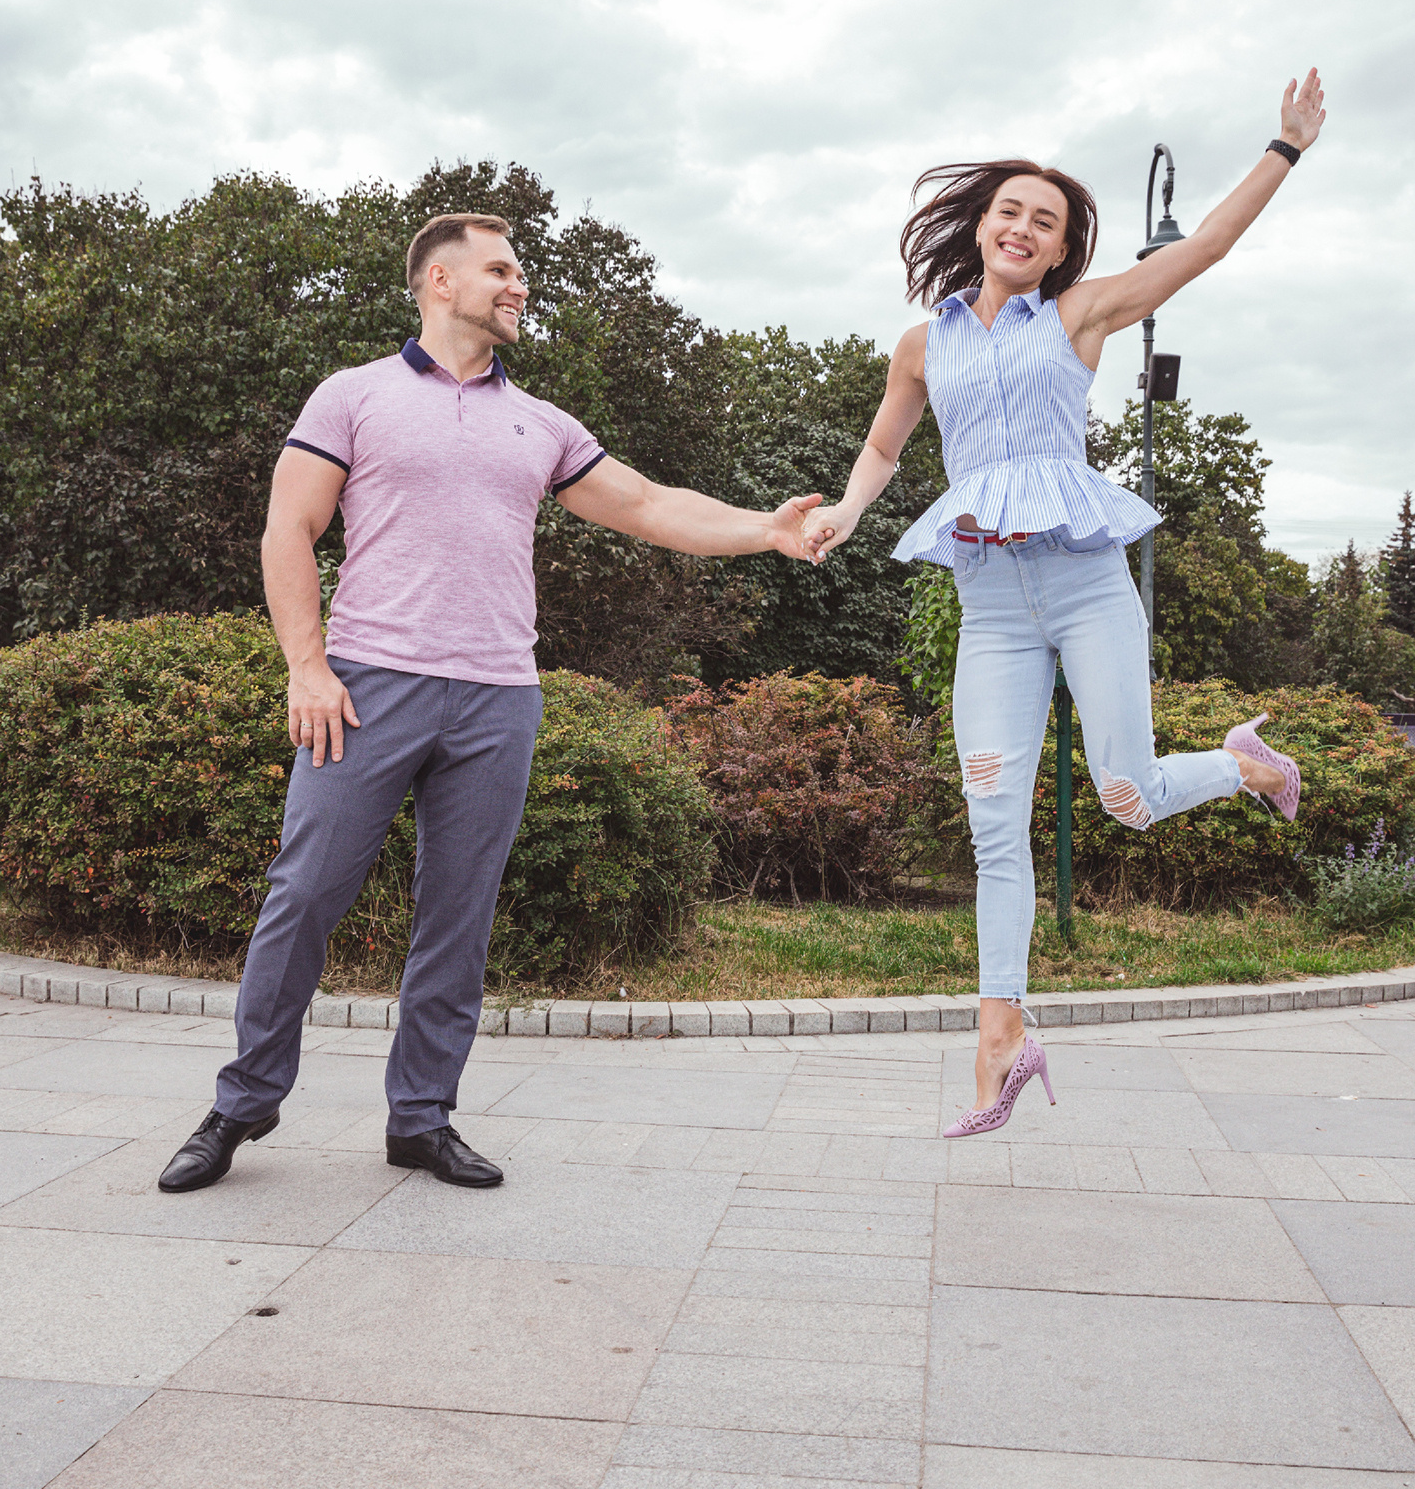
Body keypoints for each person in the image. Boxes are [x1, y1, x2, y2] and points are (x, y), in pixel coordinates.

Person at [159, 212, 823, 1193]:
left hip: (498, 699)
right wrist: (308, 664)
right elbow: (285, 531)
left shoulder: (542, 424)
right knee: (303, 896)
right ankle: (243, 1102)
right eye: (502, 269)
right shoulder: (355, 396)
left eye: (521, 272)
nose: (519, 286)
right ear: (439, 280)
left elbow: (645, 504)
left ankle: (421, 1117)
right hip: (367, 688)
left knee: (458, 916)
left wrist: (766, 529)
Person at [803, 72, 1327, 1138]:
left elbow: (1205, 250)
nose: (1024, 228)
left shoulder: (1080, 316)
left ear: (1058, 248)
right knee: (995, 819)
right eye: (1010, 210)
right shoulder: (922, 343)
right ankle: (1000, 1036)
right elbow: (884, 446)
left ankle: (1246, 764)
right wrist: (851, 511)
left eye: (1046, 221)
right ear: (982, 223)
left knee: (1127, 796)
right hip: (992, 604)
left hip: (1086, 589)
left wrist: (1285, 149)